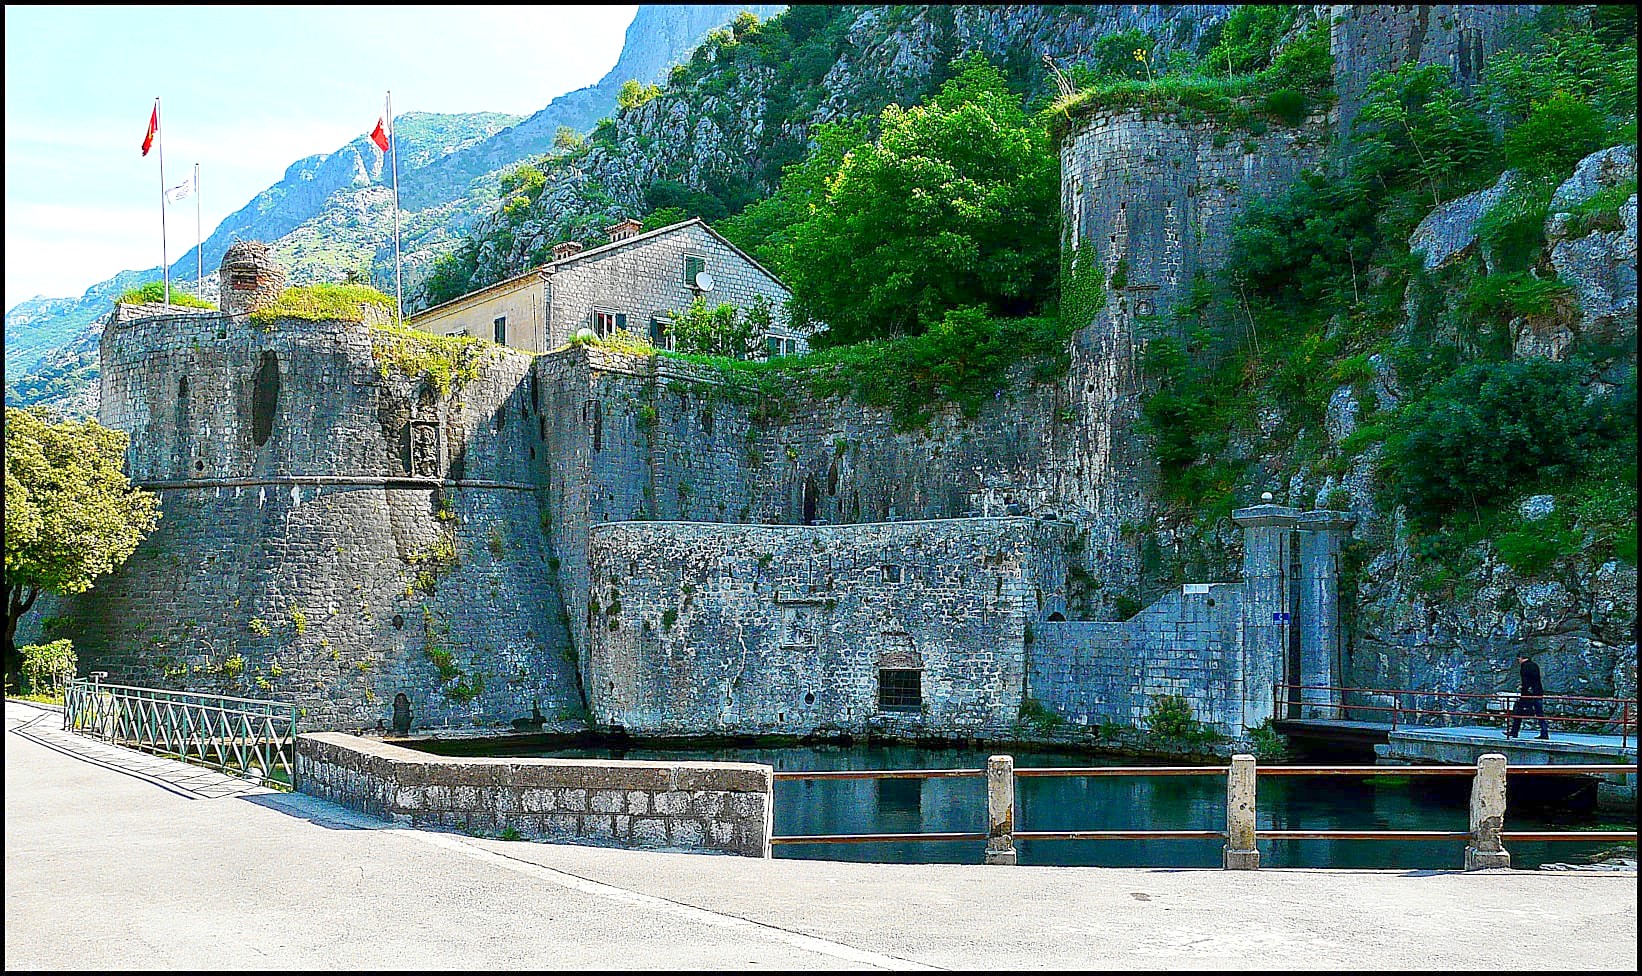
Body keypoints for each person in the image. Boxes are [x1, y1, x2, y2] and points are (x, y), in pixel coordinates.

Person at [1506, 653, 1549, 740]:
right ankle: (1544, 733)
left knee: (1518, 711)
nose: (1518, 661)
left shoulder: (1524, 667)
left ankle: (1514, 732)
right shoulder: (1534, 665)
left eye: (1519, 659)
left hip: (1528, 693)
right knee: (1540, 713)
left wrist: (1523, 688)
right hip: (1538, 692)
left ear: (1522, 658)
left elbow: (1526, 681)